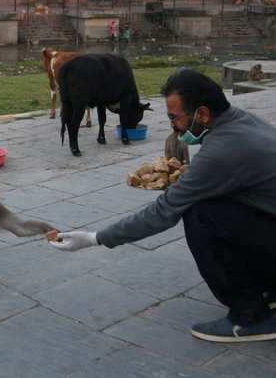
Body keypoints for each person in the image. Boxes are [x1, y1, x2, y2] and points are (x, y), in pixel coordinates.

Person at [52, 69, 276, 343]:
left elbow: (163, 212)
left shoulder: (224, 150)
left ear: (202, 114)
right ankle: (268, 288)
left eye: (174, 118)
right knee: (219, 204)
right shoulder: (241, 121)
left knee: (200, 213)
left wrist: (95, 238)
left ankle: (250, 317)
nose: (172, 126)